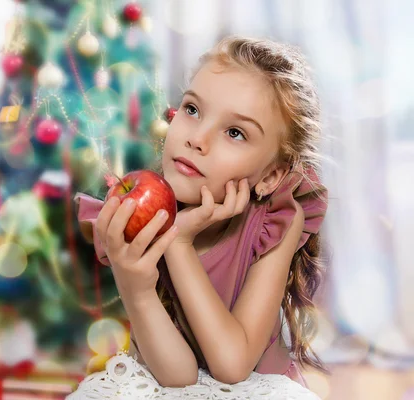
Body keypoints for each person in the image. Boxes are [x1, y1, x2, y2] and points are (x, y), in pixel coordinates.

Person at [67, 35, 328, 399]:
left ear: (270, 177)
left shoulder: (278, 219)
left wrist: (180, 242)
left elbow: (233, 365)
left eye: (235, 132)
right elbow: (177, 376)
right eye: (192, 110)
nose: (197, 139)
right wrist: (136, 287)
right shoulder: (139, 214)